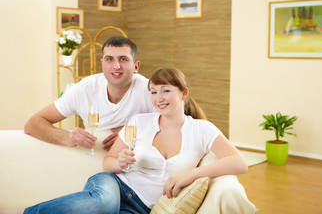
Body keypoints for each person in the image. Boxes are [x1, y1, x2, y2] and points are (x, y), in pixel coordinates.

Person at [16, 67, 254, 214]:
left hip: (142, 208)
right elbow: (107, 164)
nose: (158, 98)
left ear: (183, 93)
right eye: (153, 92)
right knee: (103, 204)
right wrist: (119, 162)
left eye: (166, 90)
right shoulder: (139, 122)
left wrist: (189, 175)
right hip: (116, 187)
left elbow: (239, 162)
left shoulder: (202, 129)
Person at [24, 36, 155, 151]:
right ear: (102, 63)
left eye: (123, 59)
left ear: (136, 66)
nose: (116, 66)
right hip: (95, 159)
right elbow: (33, 124)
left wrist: (137, 128)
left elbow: (174, 124)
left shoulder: (149, 90)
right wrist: (68, 137)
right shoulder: (86, 88)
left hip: (135, 165)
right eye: (109, 59)